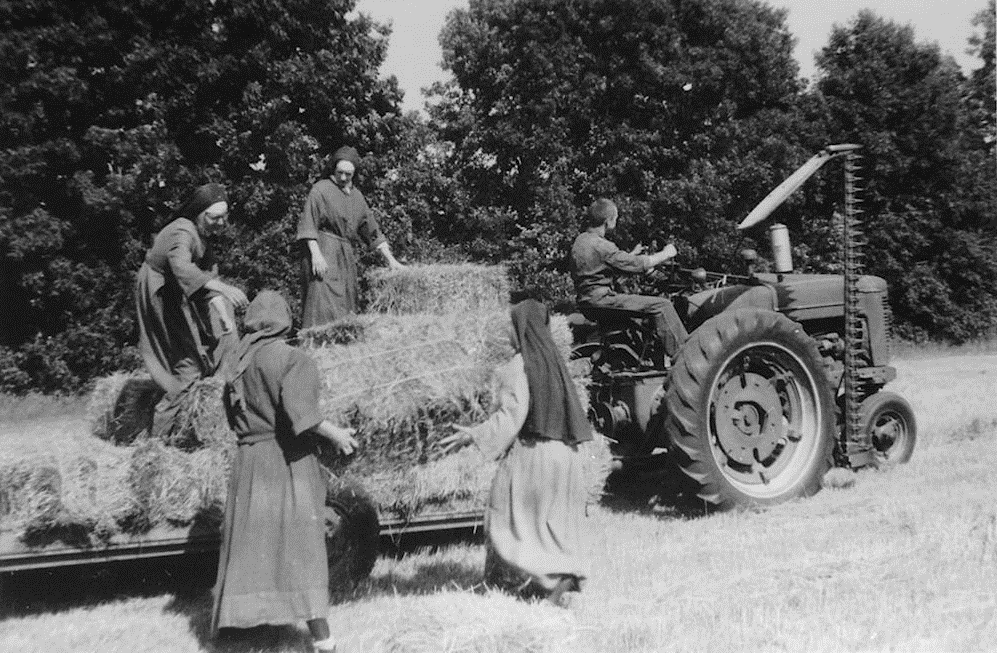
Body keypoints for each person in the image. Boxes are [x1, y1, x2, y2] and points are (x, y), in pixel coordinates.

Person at [211, 291, 359, 653]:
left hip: (249, 462)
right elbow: (302, 417)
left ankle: (239, 630)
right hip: (286, 460)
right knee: (302, 546)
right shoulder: (292, 359)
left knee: (251, 545)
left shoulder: (237, 361)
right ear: (284, 320)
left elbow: (232, 418)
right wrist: (337, 434)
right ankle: (322, 637)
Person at [440, 299, 592, 607]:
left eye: (511, 324)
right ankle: (561, 578)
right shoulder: (554, 362)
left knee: (508, 514)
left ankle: (549, 578)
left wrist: (474, 435)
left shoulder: (518, 366)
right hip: (566, 455)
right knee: (552, 521)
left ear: (520, 327)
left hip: (535, 455)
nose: (508, 330)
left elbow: (511, 418)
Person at [135, 182, 249, 438]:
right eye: (214, 217)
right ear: (199, 212)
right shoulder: (183, 232)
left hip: (180, 292)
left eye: (224, 217)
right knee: (187, 363)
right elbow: (183, 269)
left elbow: (209, 282)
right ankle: (158, 443)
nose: (220, 223)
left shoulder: (205, 238)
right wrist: (223, 289)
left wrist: (223, 315)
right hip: (160, 292)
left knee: (211, 345)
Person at [296, 145, 404, 328]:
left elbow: (372, 231)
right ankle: (317, 345)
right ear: (333, 169)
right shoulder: (320, 190)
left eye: (348, 174)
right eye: (340, 173)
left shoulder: (357, 197)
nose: (343, 178)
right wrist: (316, 255)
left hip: (345, 256)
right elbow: (309, 225)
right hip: (324, 251)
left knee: (347, 301)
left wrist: (391, 260)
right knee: (322, 300)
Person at [569, 197, 688, 361]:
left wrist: (632, 254)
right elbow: (638, 265)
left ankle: (646, 357)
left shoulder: (580, 241)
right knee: (662, 305)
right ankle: (685, 358)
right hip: (603, 300)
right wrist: (666, 254)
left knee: (641, 319)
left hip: (587, 302)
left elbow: (604, 265)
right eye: (615, 219)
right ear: (608, 221)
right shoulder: (603, 245)